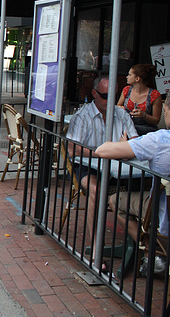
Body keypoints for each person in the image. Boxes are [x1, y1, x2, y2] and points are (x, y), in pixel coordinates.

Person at [67, 75, 138, 268]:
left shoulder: (122, 115)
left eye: (113, 96)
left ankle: (141, 247)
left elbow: (134, 143)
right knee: (95, 190)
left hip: (119, 167)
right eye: (105, 96)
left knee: (141, 189)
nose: (110, 101)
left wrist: (122, 150)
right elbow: (72, 149)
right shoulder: (82, 116)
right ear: (94, 94)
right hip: (88, 166)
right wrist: (106, 152)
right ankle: (96, 247)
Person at [96, 95, 170, 276]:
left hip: (164, 212)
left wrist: (126, 144)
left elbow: (102, 150)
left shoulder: (159, 140)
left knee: (116, 201)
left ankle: (154, 253)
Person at [117, 63, 161, 136]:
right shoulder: (127, 90)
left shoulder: (154, 95)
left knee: (129, 130)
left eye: (130, 75)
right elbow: (118, 105)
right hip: (127, 125)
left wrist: (144, 115)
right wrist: (120, 108)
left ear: (137, 78)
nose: (127, 77)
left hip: (146, 129)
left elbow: (156, 120)